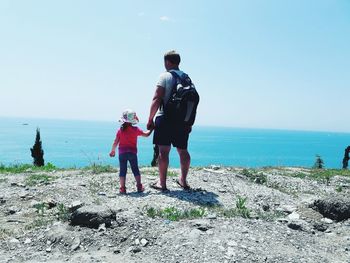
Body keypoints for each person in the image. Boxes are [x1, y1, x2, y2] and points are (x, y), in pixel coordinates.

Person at [147, 50, 193, 191]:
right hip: (182, 121)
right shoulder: (186, 78)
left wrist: (150, 118)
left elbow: (157, 98)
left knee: (163, 151)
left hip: (165, 118)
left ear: (167, 61)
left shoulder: (165, 76)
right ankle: (183, 181)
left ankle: (162, 183)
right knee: (183, 150)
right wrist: (189, 122)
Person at [109, 109, 152, 194]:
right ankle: (139, 187)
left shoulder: (120, 131)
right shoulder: (136, 130)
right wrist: (152, 128)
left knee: (122, 170)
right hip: (132, 153)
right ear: (133, 120)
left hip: (122, 153)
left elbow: (115, 142)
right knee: (135, 169)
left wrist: (112, 151)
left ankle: (122, 188)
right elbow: (146, 134)